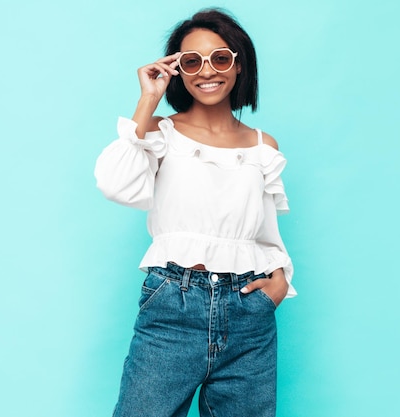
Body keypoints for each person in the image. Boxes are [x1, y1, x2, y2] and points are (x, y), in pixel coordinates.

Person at [94, 8, 296, 417]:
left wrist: (278, 282)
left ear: (239, 65)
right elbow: (114, 184)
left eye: (220, 58)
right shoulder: (160, 133)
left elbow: (264, 234)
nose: (208, 70)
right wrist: (148, 99)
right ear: (178, 70)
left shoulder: (263, 146)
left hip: (249, 315)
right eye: (192, 61)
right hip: (174, 305)